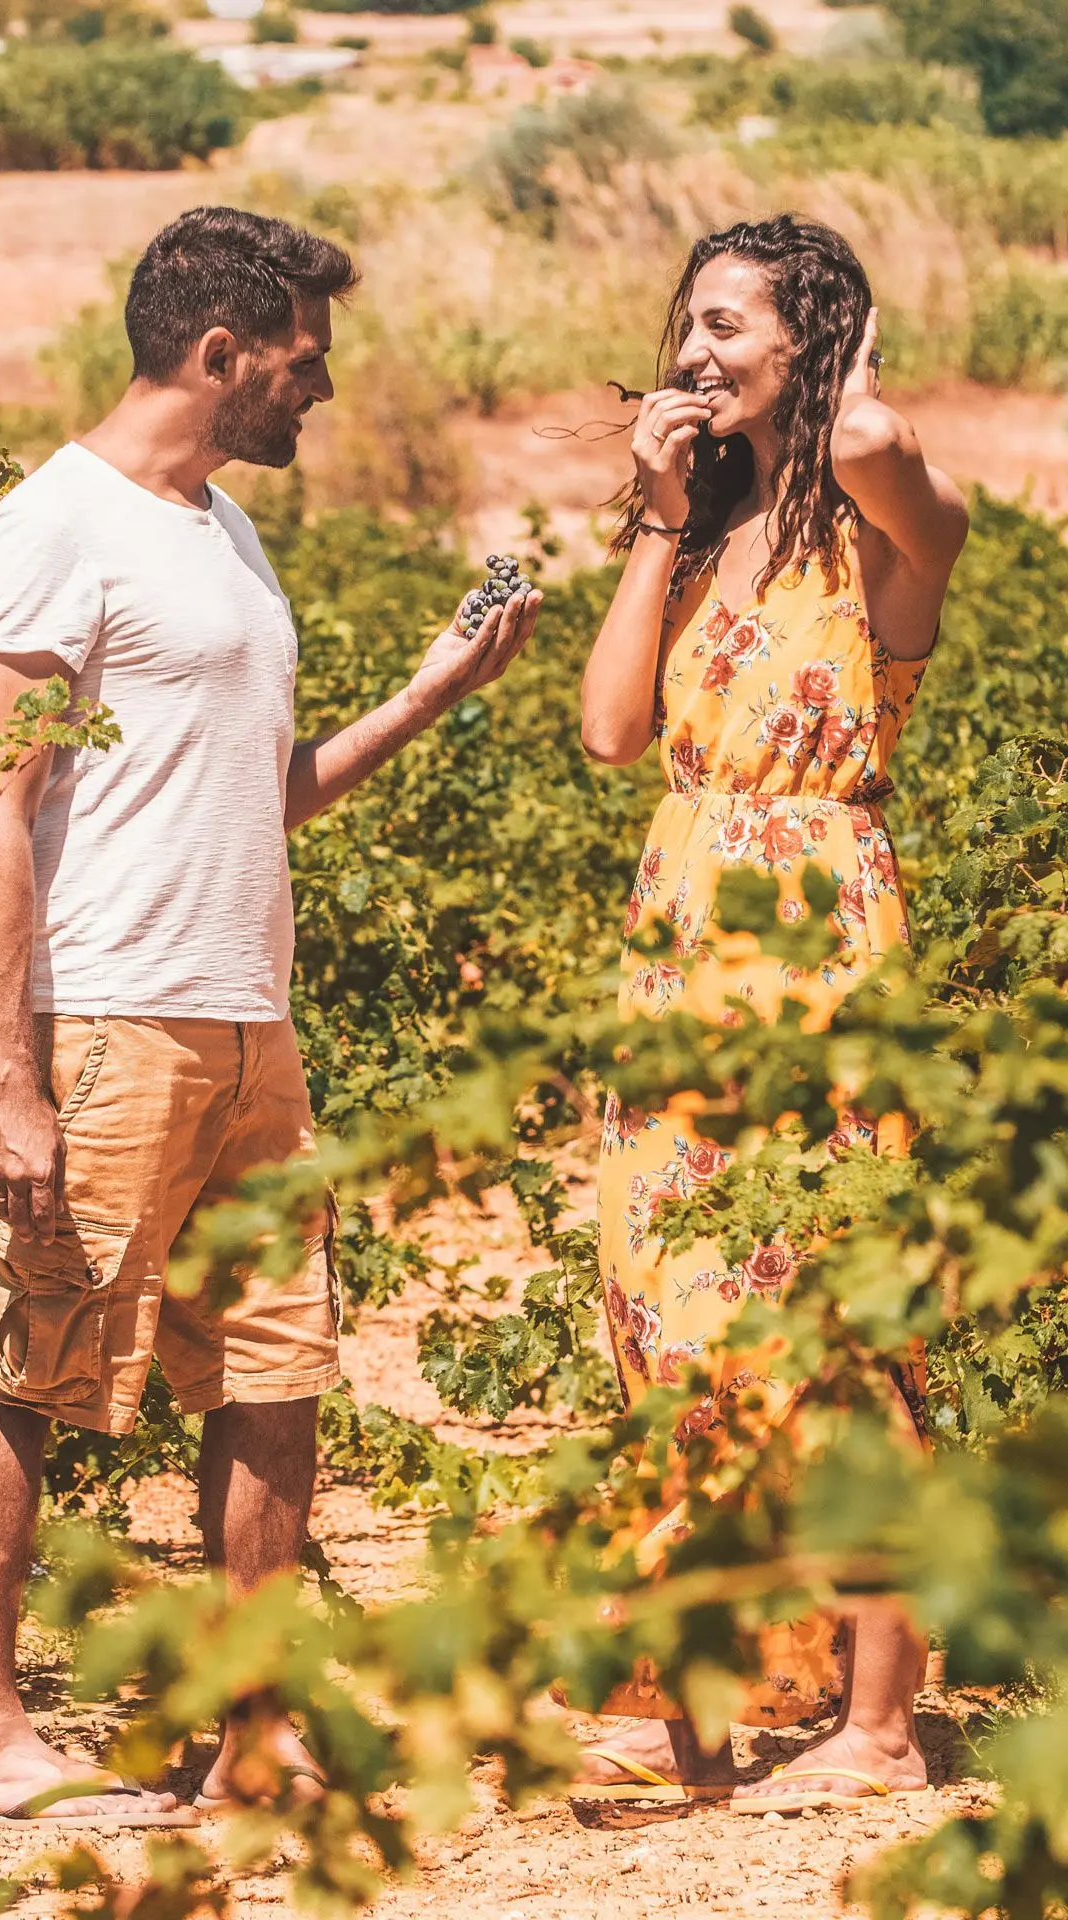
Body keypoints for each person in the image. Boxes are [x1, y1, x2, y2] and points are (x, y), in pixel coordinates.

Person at [0, 205, 543, 1828]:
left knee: (276, 1370)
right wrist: (10, 1077)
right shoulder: (55, 526)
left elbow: (265, 800)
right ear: (221, 352)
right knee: (27, 1363)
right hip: (106, 1017)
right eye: (304, 360)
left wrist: (434, 689)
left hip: (247, 1018)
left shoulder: (224, 532)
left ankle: (254, 1729)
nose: (320, 389)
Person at [573, 214, 968, 1819]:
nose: (693, 352)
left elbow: (884, 452)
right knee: (667, 1311)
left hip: (821, 946)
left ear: (816, 340)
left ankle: (878, 1725)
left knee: (835, 1319)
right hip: (677, 945)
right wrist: (662, 520)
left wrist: (846, 389)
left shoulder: (887, 533)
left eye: (730, 325)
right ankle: (688, 1700)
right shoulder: (706, 535)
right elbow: (612, 732)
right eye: (687, 323)